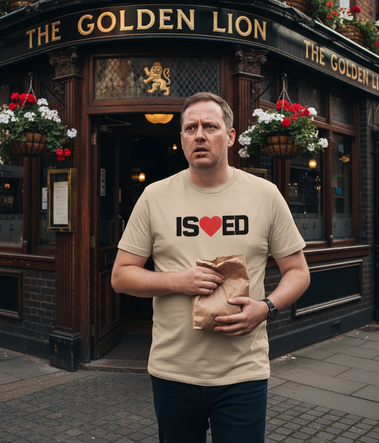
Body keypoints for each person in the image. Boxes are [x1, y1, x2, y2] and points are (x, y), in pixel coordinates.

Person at [111, 92, 310, 443]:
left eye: (209, 126)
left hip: (243, 373)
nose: (199, 135)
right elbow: (121, 275)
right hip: (174, 371)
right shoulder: (155, 197)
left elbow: (298, 271)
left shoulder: (265, 195)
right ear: (182, 139)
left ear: (230, 136)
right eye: (190, 128)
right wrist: (178, 280)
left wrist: (266, 308)